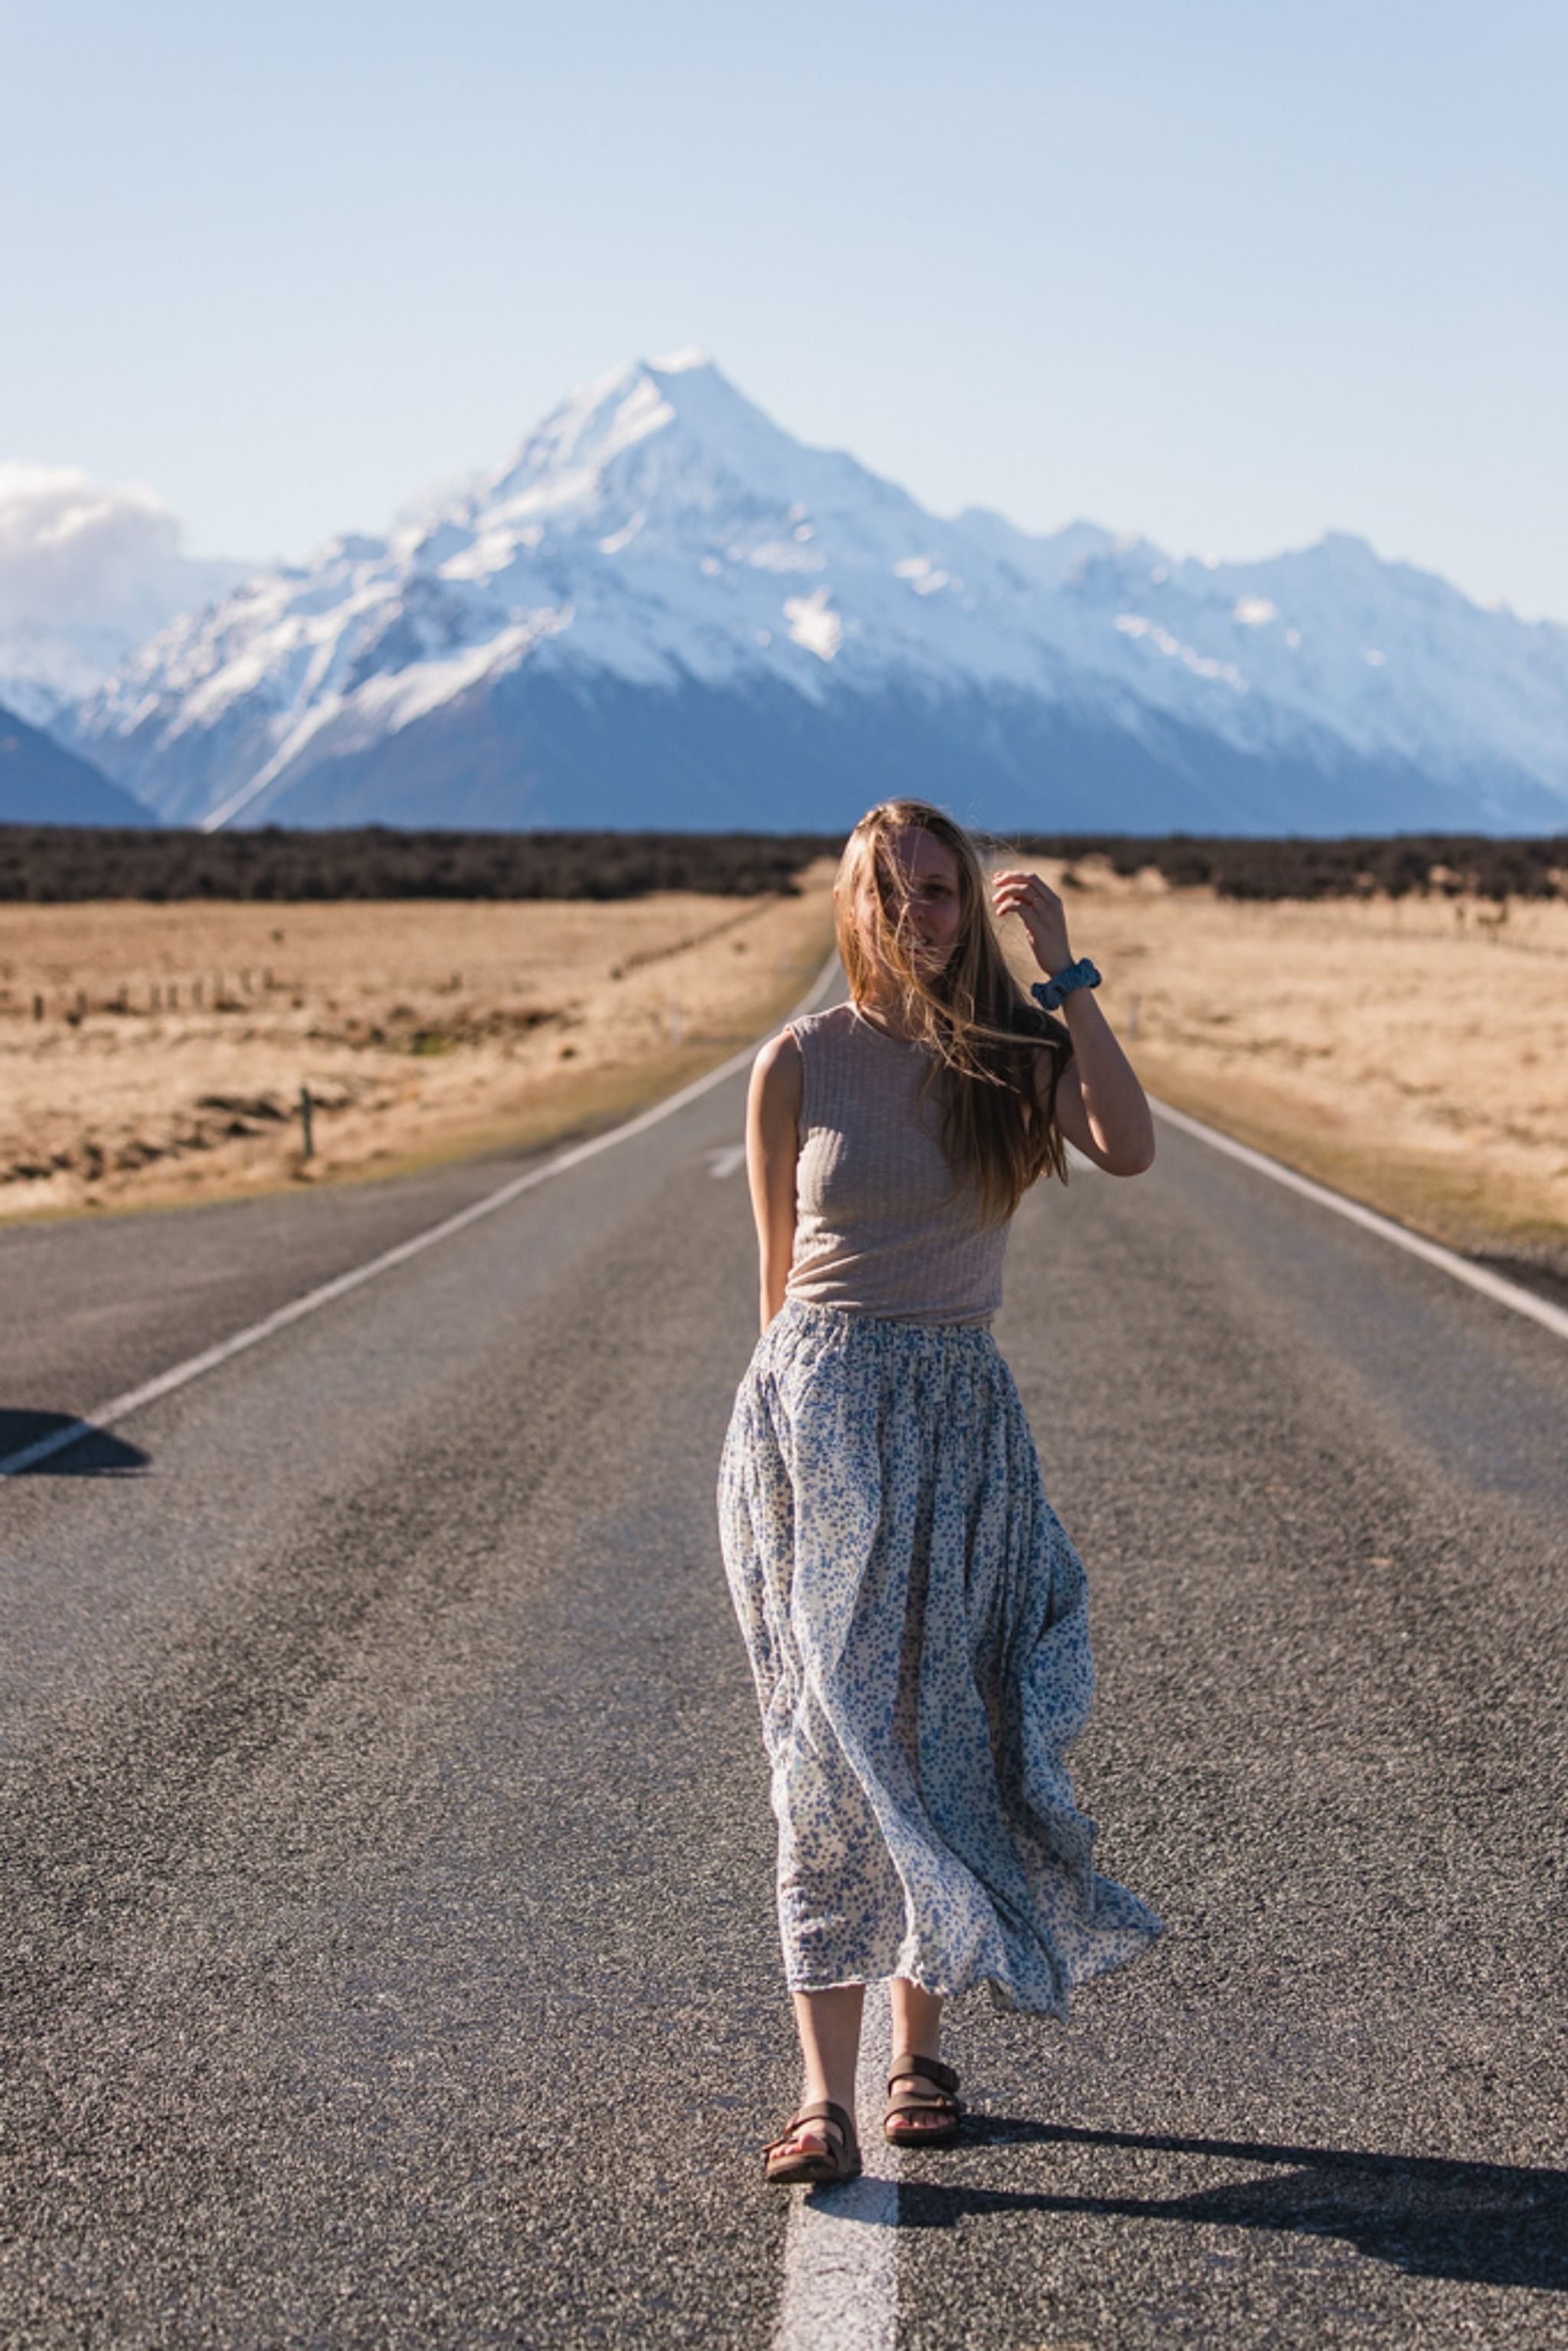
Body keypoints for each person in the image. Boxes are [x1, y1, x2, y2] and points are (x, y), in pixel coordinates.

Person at [717, 797, 1163, 2187]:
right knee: (819, 1757)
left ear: (972, 907)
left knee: (935, 1741)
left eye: (941, 893)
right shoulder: (798, 1063)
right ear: (856, 907)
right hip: (818, 1428)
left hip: (961, 1429)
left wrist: (1066, 973)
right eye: (894, 893)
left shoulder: (1015, 1057)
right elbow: (776, 1288)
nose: (919, 915)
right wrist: (781, 1469)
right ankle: (820, 2093)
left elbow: (1131, 1144)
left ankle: (918, 2056)